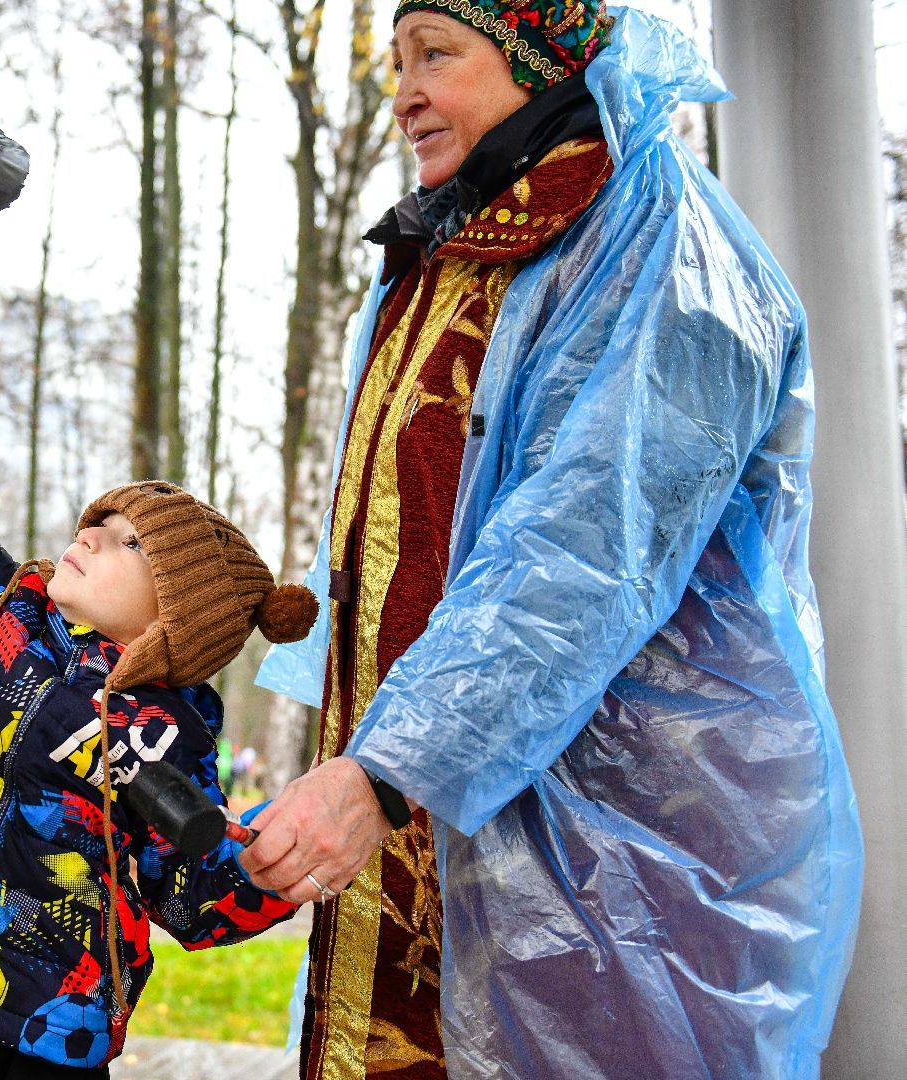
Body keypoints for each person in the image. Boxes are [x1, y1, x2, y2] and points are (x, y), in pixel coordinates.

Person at [242, 3, 864, 1078]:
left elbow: (582, 557)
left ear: (537, 59)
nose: (404, 96)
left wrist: (387, 772)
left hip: (617, 858)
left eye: (436, 54)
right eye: (397, 61)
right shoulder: (448, 250)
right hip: (424, 815)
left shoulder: (666, 248)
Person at [0, 265, 317, 1079]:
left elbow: (187, 887)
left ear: (177, 615)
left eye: (129, 542)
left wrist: (266, 868)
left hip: (50, 1028)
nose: (89, 534)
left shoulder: (164, 732)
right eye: (97, 521)